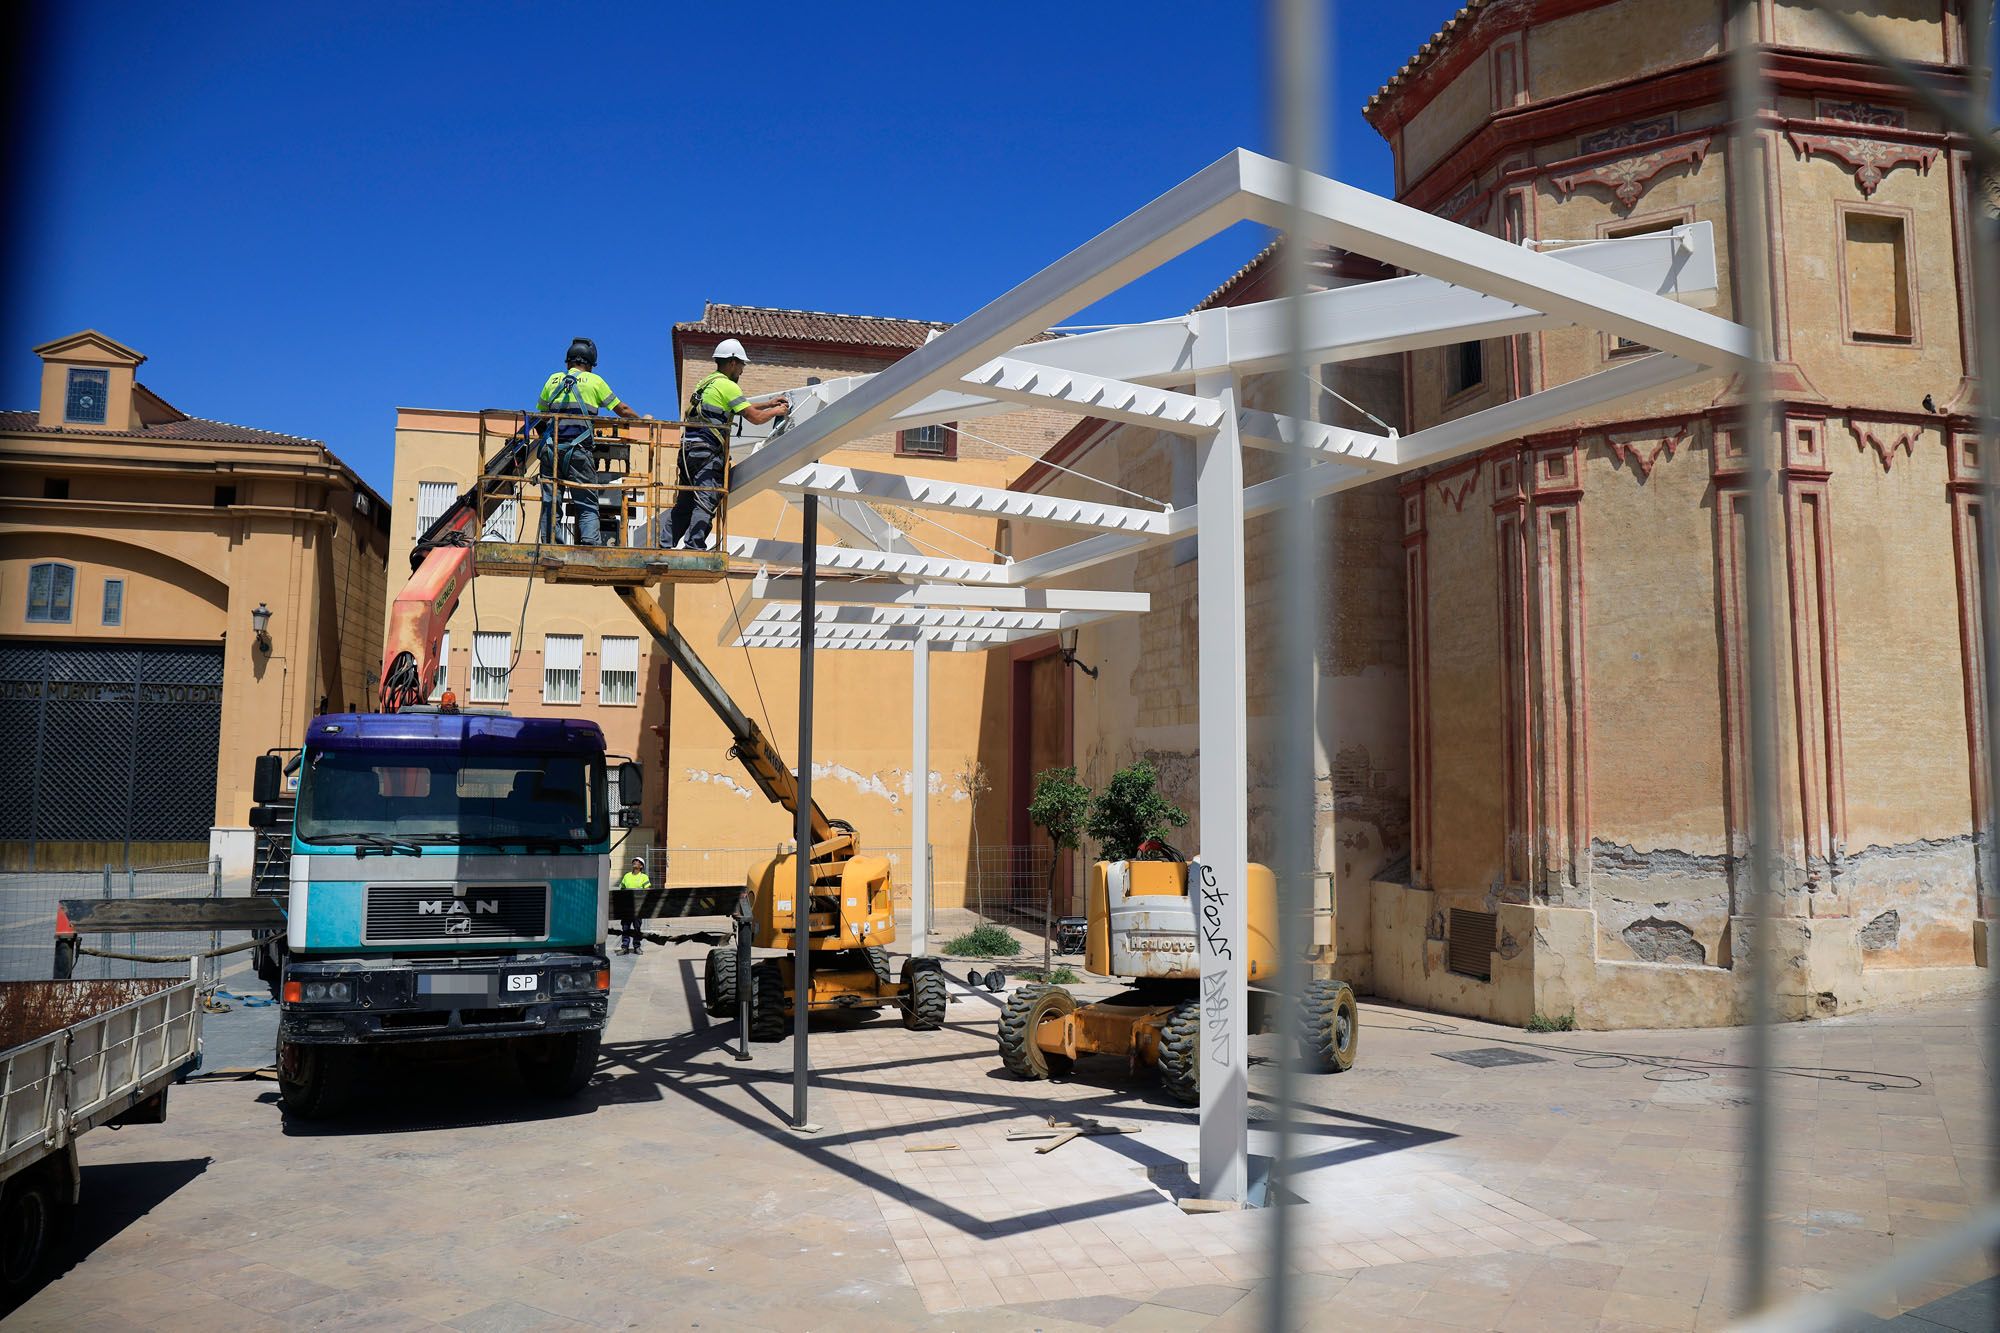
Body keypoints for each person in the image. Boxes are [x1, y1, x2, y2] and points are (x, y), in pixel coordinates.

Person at [661, 338, 789, 550]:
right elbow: (755, 418)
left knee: (684, 502)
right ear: (731, 362)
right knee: (706, 498)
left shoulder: (707, 382)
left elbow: (735, 406)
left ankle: (663, 544)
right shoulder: (728, 386)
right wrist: (777, 411)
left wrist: (768, 403)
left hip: (688, 451)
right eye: (741, 365)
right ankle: (694, 546)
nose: (742, 370)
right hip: (707, 453)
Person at [537, 338, 641, 546]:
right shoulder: (595, 382)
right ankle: (590, 543)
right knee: (586, 501)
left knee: (551, 500)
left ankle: (549, 543)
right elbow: (622, 410)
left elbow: (541, 414)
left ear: (568, 362)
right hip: (578, 451)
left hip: (550, 449)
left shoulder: (553, 380)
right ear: (589, 364)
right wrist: (643, 422)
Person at [617, 855, 651, 955]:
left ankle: (637, 947)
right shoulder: (626, 876)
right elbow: (621, 889)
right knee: (625, 927)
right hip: (627, 907)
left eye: (637, 861)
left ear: (641, 866)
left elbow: (647, 891)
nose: (635, 862)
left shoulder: (644, 877)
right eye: (634, 861)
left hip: (638, 908)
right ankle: (625, 947)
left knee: (637, 928)